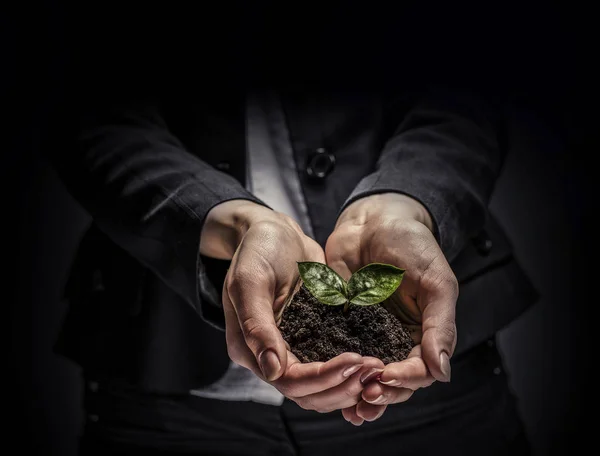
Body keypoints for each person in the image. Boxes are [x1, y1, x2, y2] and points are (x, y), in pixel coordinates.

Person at [46, 12, 538, 455]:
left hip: (434, 399)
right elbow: (86, 110)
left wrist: (404, 201)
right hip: (161, 369)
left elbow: (465, 89)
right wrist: (230, 220)